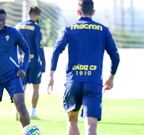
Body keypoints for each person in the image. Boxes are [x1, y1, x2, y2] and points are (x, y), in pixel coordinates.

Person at [47, 0, 120, 135]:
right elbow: (115, 56)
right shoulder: (103, 30)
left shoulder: (69, 28)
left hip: (73, 82)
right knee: (91, 127)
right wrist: (111, 77)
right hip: (93, 82)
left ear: (78, 12)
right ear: (93, 12)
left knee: (72, 121)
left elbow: (56, 50)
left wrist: (51, 75)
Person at [15, 6, 46, 119]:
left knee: (21, 88)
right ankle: (33, 113)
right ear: (37, 15)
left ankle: (19, 112)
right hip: (34, 62)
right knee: (35, 87)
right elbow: (39, 47)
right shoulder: (36, 28)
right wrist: (43, 64)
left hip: (21, 62)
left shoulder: (18, 26)